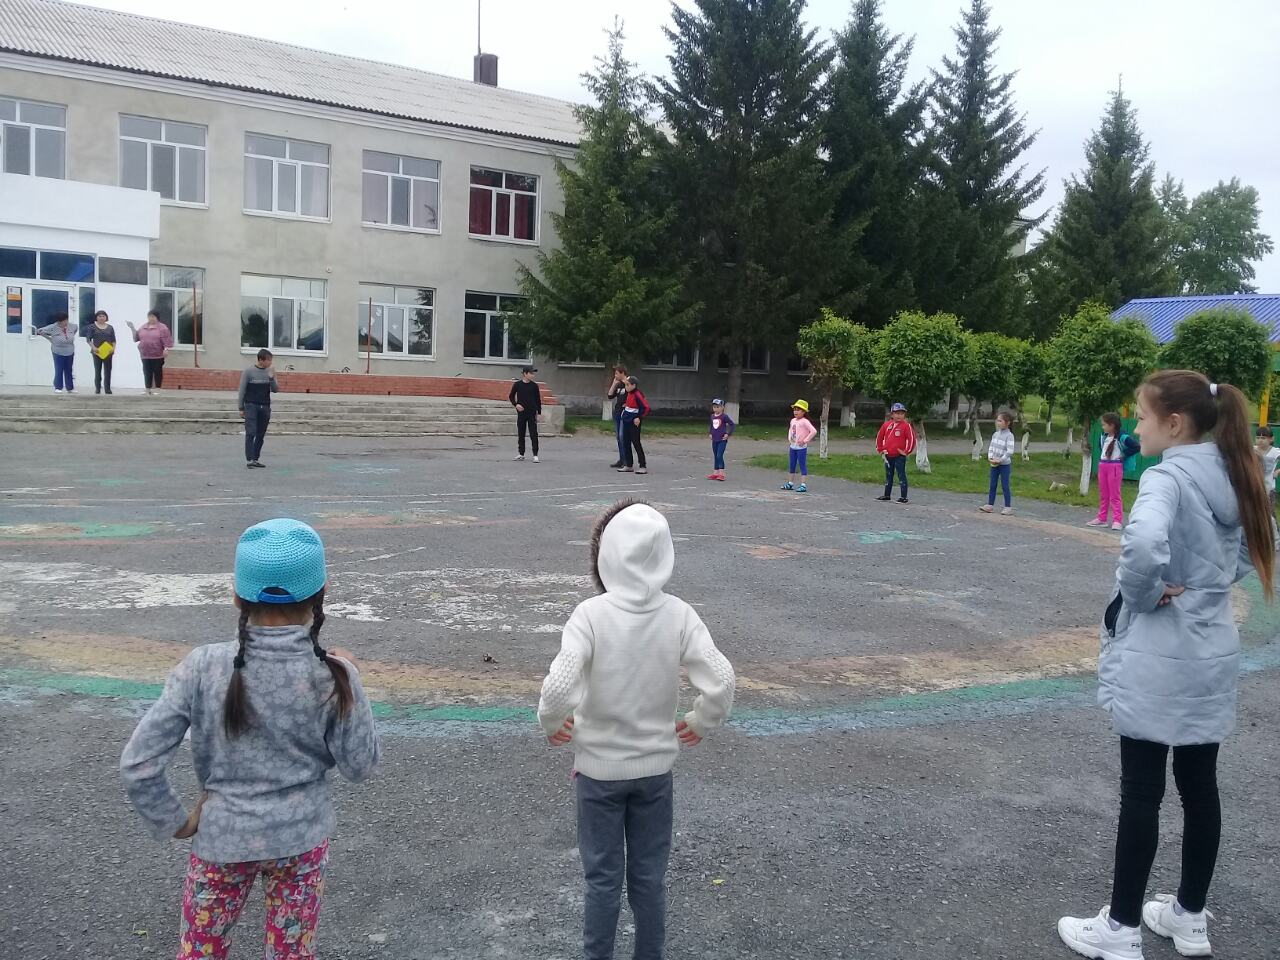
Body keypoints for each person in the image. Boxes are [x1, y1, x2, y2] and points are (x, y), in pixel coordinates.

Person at [1057, 371, 1275, 960]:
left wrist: (1147, 593)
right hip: (1212, 650)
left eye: (1143, 415)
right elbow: (1262, 541)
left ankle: (1121, 927)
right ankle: (1189, 918)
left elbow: (1142, 544)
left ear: (1174, 424)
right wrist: (1210, 583)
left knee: (1142, 791)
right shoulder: (1238, 473)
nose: (1137, 425)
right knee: (1200, 787)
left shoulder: (1166, 478)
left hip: (1160, 652)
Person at [119, 518, 381, 960]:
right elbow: (360, 766)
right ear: (322, 592)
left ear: (236, 595)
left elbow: (138, 762)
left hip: (221, 840)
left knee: (201, 952)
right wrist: (350, 681)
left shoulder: (202, 666)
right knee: (292, 953)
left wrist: (176, 822)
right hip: (301, 842)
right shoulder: (332, 674)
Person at [538, 500, 736, 960]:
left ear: (605, 553)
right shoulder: (679, 614)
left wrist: (552, 721)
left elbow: (560, 683)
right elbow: (722, 678)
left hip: (598, 773)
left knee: (602, 880)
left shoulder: (590, 614)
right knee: (648, 878)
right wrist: (702, 720)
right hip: (655, 772)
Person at [1089, 412, 1141, 530]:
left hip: (1115, 466)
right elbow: (1102, 448)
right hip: (1103, 465)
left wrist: (1124, 454)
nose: (1102, 427)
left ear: (1112, 425)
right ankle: (1102, 519)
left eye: (1104, 425)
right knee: (1104, 494)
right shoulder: (1104, 436)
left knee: (1114, 495)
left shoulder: (1122, 437)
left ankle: (1117, 520)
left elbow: (1136, 446)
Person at [238, 349, 279, 469]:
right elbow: (242, 390)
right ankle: (249, 459)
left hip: (265, 406)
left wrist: (271, 378)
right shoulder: (248, 371)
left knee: (261, 434)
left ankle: (255, 458)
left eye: (271, 360)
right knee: (251, 432)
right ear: (261, 360)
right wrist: (241, 407)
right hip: (251, 405)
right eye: (268, 360)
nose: (270, 363)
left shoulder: (270, 372)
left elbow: (276, 389)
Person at [875, 402, 916, 503]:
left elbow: (912, 439)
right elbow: (879, 437)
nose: (899, 416)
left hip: (899, 456)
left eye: (902, 413)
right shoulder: (886, 425)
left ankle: (903, 497)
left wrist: (906, 451)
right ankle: (887, 495)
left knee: (901, 475)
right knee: (889, 475)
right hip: (888, 455)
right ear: (892, 414)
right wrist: (880, 449)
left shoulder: (906, 426)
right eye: (897, 413)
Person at [127, 311, 174, 395]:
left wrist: (166, 349)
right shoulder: (143, 327)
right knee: (147, 371)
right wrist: (132, 328)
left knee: (157, 371)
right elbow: (136, 338)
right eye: (149, 316)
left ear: (157, 317)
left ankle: (158, 389)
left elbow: (167, 340)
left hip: (157, 354)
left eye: (153, 317)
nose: (151, 318)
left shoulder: (162, 328)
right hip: (145, 354)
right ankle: (147, 389)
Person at [980, 411, 1016, 515]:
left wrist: (1000, 460)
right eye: (997, 420)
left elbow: (1010, 451)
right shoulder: (995, 434)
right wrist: (990, 457)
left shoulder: (1009, 436)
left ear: (1007, 423)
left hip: (1004, 465)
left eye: (1000, 421)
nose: (998, 422)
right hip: (994, 464)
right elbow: (991, 447)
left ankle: (1008, 507)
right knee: (992, 484)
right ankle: (990, 505)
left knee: (1005, 485)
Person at [35, 311, 77, 394]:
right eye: (60, 322)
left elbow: (74, 332)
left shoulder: (73, 326)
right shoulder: (52, 327)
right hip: (58, 350)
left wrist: (68, 339)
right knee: (59, 369)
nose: (63, 323)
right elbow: (39, 331)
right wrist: (50, 339)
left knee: (69, 369)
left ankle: (70, 388)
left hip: (69, 350)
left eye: (65, 321)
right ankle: (58, 387)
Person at [781, 399, 817, 493]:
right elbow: (790, 430)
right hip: (793, 446)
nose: (795, 412)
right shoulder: (793, 420)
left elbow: (813, 431)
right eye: (794, 409)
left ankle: (803, 485)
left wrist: (805, 441)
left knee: (802, 465)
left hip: (801, 448)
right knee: (792, 465)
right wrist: (789, 438)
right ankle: (790, 483)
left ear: (804, 412)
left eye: (798, 410)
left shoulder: (805, 421)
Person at [618, 376, 651, 475]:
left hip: (633, 422)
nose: (626, 387)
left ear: (634, 385)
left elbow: (646, 407)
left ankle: (642, 466)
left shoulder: (637, 394)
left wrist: (639, 417)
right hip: (626, 421)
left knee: (636, 443)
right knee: (626, 442)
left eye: (628, 385)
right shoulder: (629, 393)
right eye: (625, 385)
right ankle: (629, 465)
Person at [510, 365, 543, 463]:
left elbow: (538, 400)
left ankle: (535, 455)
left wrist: (539, 413)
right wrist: (516, 405)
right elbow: (511, 396)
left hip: (532, 412)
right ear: (525, 374)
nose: (533, 375)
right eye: (531, 373)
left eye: (533, 373)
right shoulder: (517, 384)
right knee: (521, 433)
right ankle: (521, 453)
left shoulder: (534, 386)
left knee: (533, 434)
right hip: (521, 413)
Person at [86, 309, 117, 395]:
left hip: (108, 352)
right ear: (96, 317)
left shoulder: (110, 327)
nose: (101, 318)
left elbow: (113, 340)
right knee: (97, 371)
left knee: (108, 371)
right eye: (99, 316)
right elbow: (88, 339)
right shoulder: (92, 327)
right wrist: (94, 348)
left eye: (103, 316)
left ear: (106, 317)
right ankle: (98, 388)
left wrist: (113, 348)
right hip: (97, 352)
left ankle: (107, 389)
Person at [707, 398, 736, 481]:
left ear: (722, 407)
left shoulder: (724, 416)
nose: (716, 409)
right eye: (714, 407)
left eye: (718, 407)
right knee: (715, 456)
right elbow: (712, 426)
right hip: (714, 439)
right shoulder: (712, 416)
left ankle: (721, 474)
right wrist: (710, 433)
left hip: (722, 440)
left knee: (719, 455)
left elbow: (732, 424)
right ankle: (715, 473)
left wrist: (728, 434)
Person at [607, 366, 629, 469]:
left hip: (625, 413)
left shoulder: (629, 383)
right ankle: (621, 459)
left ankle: (626, 461)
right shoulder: (619, 385)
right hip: (617, 412)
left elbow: (633, 393)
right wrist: (614, 384)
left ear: (622, 373)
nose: (615, 375)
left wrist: (625, 382)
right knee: (618, 437)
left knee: (622, 436)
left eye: (616, 373)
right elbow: (610, 395)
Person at [1255, 426, 1279, 510]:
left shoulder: (1275, 452)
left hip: (1269, 489)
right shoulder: (1252, 450)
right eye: (1258, 437)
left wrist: (1277, 471)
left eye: (1263, 438)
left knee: (1268, 513)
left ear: (1271, 439)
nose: (1260, 440)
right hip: (1254, 487)